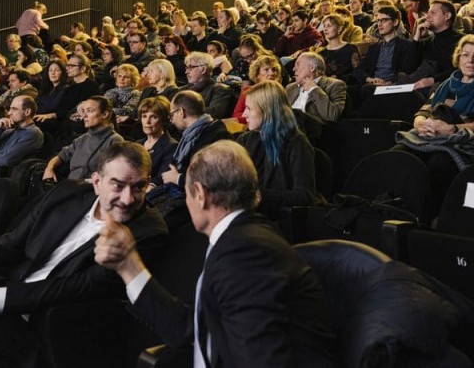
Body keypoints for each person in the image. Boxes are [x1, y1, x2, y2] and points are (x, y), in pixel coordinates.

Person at [0, 142, 168, 368]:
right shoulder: (67, 194)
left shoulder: (148, 232)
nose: (128, 198)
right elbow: (8, 245)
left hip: (48, 326)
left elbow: (74, 287)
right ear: (96, 182)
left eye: (139, 187)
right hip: (5, 299)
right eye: (118, 185)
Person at [93, 140, 336, 367]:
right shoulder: (239, 239)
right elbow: (189, 328)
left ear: (199, 193)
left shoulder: (246, 254)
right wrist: (128, 265)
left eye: (186, 193)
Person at [393, 35, 474, 220]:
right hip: (429, 133)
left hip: (460, 140)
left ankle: (430, 217)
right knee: (399, 153)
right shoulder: (445, 84)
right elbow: (424, 110)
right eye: (465, 55)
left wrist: (450, 128)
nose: (470, 60)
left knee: (439, 164)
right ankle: (399, 210)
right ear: (458, 59)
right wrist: (420, 124)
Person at [237, 81, 321, 219]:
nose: (244, 114)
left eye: (249, 108)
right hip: (247, 215)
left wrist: (259, 195)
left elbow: (305, 196)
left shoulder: (297, 143)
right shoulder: (245, 140)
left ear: (267, 110)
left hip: (277, 219)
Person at [160, 91, 231, 189]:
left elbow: (213, 180)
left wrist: (178, 178)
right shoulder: (190, 135)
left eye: (172, 115)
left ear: (181, 112)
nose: (172, 121)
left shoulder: (216, 136)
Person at [43, 96, 124, 182]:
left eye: (90, 111)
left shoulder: (115, 140)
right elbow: (62, 155)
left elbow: (114, 175)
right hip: (69, 186)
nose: (84, 116)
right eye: (84, 111)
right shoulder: (83, 138)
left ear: (104, 114)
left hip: (91, 190)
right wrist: (49, 168)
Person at [0, 95, 43, 185]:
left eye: (14, 109)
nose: (9, 113)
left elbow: (7, 160)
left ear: (27, 112)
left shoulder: (33, 133)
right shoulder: (8, 132)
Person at [286, 52, 347, 122]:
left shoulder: (335, 85)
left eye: (298, 65)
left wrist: (314, 89)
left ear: (312, 68)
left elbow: (332, 116)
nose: (294, 69)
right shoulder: (290, 87)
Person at [136, 96, 177, 188]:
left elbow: (161, 178)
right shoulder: (137, 144)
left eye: (153, 117)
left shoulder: (171, 146)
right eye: (144, 116)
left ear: (163, 120)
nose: (147, 122)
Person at [178, 52, 236, 119]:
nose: (186, 72)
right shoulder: (182, 90)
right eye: (186, 68)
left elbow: (214, 113)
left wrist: (184, 110)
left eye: (191, 67)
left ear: (203, 69)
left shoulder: (219, 90)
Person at [232, 55, 281, 123]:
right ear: (257, 74)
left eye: (274, 69)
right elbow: (236, 115)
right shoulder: (248, 91)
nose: (271, 73)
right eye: (266, 69)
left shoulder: (280, 92)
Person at [317, 13, 359, 83]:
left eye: (329, 26)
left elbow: (357, 72)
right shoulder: (321, 53)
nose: (325, 29)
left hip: (346, 85)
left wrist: (340, 78)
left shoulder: (351, 48)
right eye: (324, 26)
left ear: (339, 28)